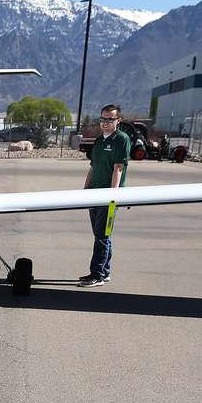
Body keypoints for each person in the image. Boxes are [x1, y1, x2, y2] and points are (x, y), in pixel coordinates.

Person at [79, 104, 130, 287]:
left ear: (118, 121)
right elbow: (93, 167)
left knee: (102, 235)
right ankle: (105, 272)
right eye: (103, 119)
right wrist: (85, 189)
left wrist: (112, 196)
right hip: (94, 194)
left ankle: (97, 275)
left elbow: (118, 168)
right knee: (100, 234)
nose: (105, 123)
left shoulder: (122, 139)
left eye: (110, 119)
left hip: (108, 197)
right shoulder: (99, 141)